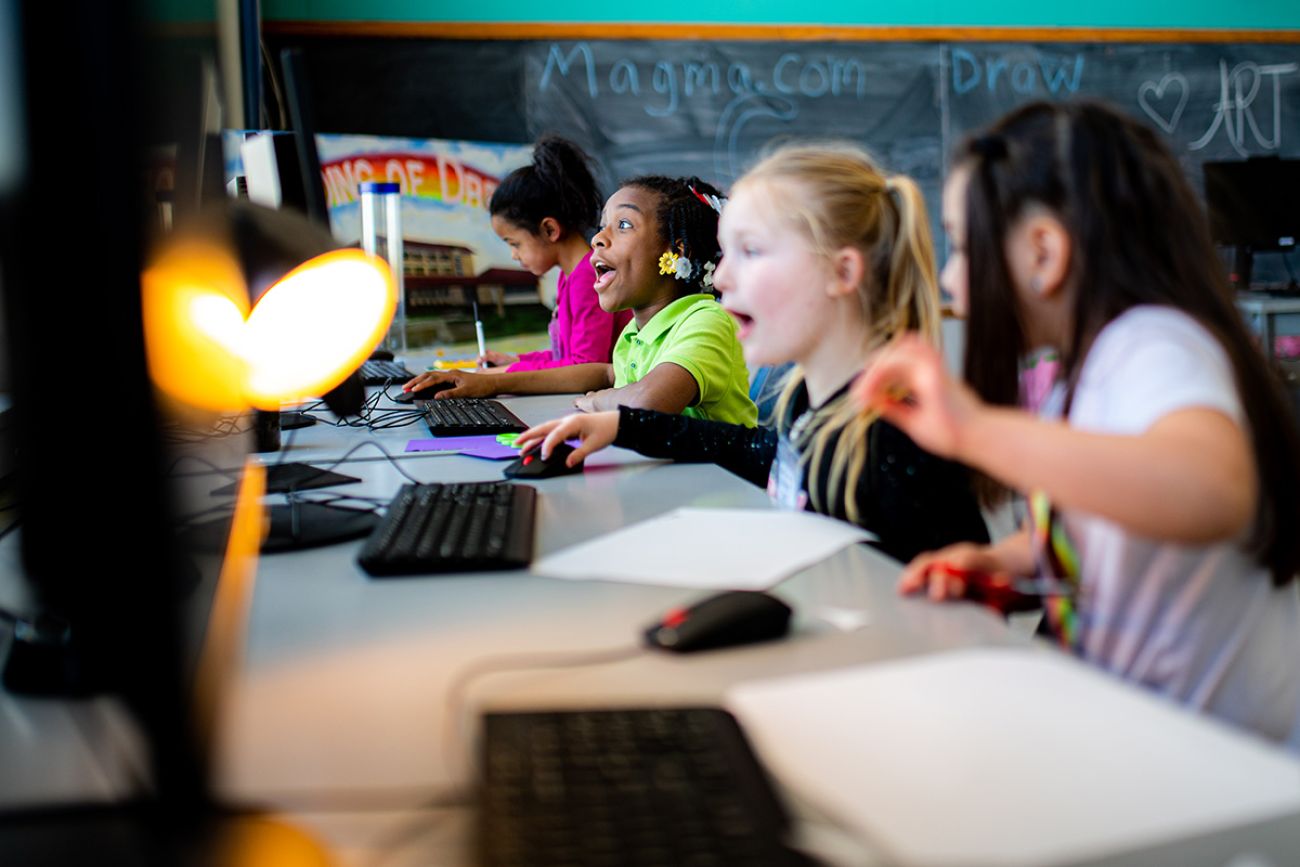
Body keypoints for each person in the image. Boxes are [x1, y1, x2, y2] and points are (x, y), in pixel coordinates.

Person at [855, 100, 1300, 747]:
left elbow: (1209, 490)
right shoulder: (1080, 374)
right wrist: (1008, 560)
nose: (950, 278)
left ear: (1044, 251)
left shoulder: (1154, 343)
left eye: (963, 245)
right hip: (1153, 746)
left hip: (1232, 777)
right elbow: (1114, 529)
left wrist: (974, 428)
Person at [515, 145, 989, 562]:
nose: (720, 279)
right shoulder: (813, 397)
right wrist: (623, 425)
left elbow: (954, 607)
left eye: (752, 252)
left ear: (841, 273)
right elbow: (762, 451)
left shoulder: (892, 428)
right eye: (725, 255)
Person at [404, 175, 756, 425]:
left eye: (624, 225)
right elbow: (604, 372)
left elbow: (649, 402)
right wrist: (491, 380)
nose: (598, 239)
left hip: (716, 500)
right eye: (602, 226)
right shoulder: (635, 333)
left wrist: (596, 401)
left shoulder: (706, 319)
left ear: (675, 251)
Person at [479, 135, 630, 371]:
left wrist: (503, 376)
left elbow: (585, 367)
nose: (513, 255)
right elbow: (566, 355)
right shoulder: (570, 276)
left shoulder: (588, 278)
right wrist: (517, 361)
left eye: (515, 243)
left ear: (550, 229)